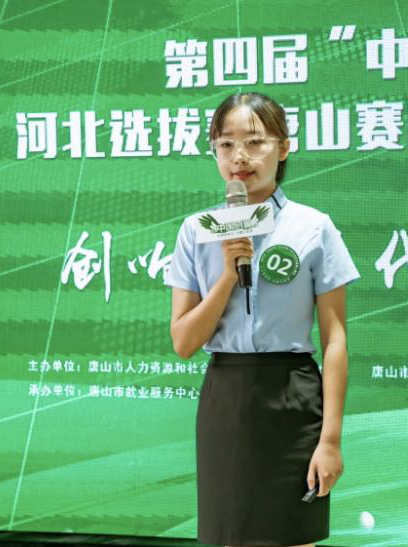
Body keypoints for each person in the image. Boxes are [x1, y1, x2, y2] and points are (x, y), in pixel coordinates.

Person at [164, 92, 360, 547]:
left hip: (293, 397)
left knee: (294, 537)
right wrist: (226, 277)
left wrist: (330, 440)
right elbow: (183, 341)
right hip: (227, 397)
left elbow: (335, 341)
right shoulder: (196, 231)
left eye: (254, 142)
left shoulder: (313, 227)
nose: (239, 157)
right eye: (226, 144)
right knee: (228, 536)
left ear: (283, 147)